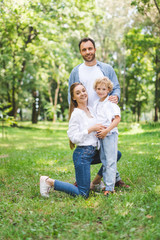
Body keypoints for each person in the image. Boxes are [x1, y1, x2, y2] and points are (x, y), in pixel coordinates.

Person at [68, 37, 129, 189]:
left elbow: (116, 87)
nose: (87, 52)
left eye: (90, 48)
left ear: (95, 49)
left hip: (104, 117)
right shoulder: (76, 71)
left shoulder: (106, 69)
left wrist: (116, 96)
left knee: (109, 148)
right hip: (87, 116)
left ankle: (114, 178)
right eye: (84, 49)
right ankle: (82, 179)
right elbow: (72, 94)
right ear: (80, 52)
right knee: (87, 147)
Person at [40, 83, 105, 198]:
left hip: (93, 152)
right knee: (83, 194)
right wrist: (91, 129)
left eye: (83, 90)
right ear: (74, 97)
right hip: (82, 155)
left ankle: (95, 183)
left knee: (115, 154)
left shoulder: (91, 110)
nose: (82, 94)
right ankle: (49, 181)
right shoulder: (76, 114)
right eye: (78, 93)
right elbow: (73, 138)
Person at [93, 76, 121, 196]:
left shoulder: (110, 102)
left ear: (108, 90)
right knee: (104, 160)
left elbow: (117, 119)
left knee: (110, 161)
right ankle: (106, 185)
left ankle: (110, 188)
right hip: (101, 136)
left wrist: (107, 130)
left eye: (103, 89)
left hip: (109, 134)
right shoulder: (97, 103)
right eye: (98, 88)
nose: (100, 91)